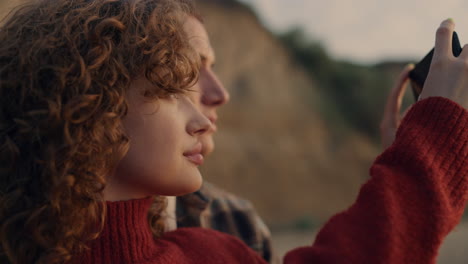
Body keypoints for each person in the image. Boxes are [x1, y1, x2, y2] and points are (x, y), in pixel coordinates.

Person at [0, 0, 465, 263]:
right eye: (178, 74)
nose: (218, 94)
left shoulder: (217, 244)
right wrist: (430, 150)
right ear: (87, 95)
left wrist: (405, 165)